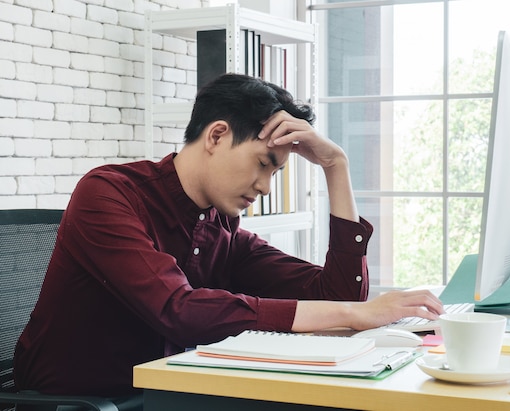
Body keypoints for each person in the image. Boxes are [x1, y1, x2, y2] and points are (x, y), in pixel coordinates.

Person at [14, 73, 444, 399]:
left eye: (276, 172)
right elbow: (178, 310)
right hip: (82, 403)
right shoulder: (108, 193)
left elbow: (339, 295)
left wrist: (337, 166)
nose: (265, 187)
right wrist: (354, 316)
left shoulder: (220, 229)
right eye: (263, 163)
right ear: (217, 135)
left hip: (173, 394)